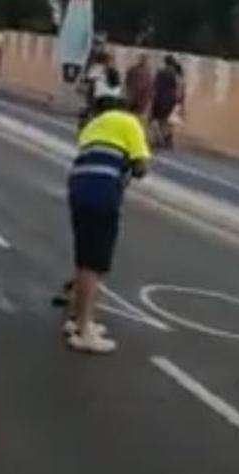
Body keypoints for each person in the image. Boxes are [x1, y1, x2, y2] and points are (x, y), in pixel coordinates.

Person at [64, 95, 151, 354]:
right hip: (102, 190)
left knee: (85, 257)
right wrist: (135, 161)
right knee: (95, 262)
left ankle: (77, 319)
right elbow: (141, 166)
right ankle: (83, 331)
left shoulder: (92, 127)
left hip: (78, 186)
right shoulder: (129, 122)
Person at [78, 51, 121, 131]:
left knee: (91, 105)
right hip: (114, 97)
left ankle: (90, 122)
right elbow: (118, 84)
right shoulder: (115, 70)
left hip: (100, 96)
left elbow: (86, 79)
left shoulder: (97, 67)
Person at [149, 55, 182, 149]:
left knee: (157, 119)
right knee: (168, 120)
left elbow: (154, 86)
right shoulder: (176, 74)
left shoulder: (160, 72)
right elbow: (178, 87)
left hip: (160, 98)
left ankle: (160, 139)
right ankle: (167, 138)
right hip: (171, 99)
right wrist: (178, 100)